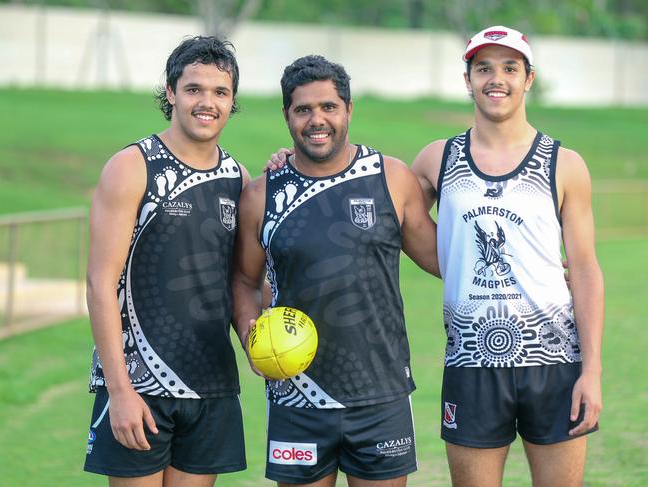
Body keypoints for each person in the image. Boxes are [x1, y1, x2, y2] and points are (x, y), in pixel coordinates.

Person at [232, 55, 439, 487]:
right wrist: (251, 334)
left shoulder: (390, 178)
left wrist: (534, 268)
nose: (316, 120)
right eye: (303, 109)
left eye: (328, 106)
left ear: (348, 110)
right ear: (287, 116)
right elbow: (244, 281)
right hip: (297, 394)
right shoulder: (261, 195)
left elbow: (443, 258)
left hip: (380, 393)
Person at [411, 26, 604, 486]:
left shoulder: (565, 163)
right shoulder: (438, 159)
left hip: (554, 361)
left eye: (509, 68)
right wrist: (287, 159)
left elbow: (585, 270)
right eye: (484, 69)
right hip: (471, 362)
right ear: (468, 79)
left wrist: (592, 372)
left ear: (529, 78)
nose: (496, 79)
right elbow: (393, 217)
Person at [84, 36, 250, 486]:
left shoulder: (238, 179)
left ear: (232, 101)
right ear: (171, 92)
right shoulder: (133, 165)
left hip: (210, 385)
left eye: (220, 92)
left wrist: (257, 339)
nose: (207, 103)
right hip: (139, 385)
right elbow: (100, 283)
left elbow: (239, 284)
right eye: (194, 89)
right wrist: (119, 390)